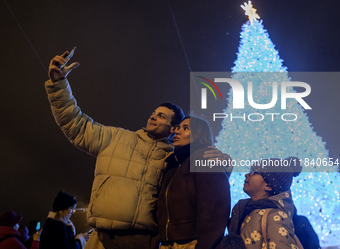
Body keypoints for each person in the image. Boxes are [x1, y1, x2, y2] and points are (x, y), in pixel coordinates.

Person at [46, 51, 225, 249]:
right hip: (102, 240)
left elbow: (203, 185)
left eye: (162, 116)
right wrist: (59, 85)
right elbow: (76, 124)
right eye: (154, 113)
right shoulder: (115, 138)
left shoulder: (174, 159)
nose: (154, 117)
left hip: (145, 242)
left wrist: (224, 161)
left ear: (172, 128)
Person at [157, 116, 231, 249]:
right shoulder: (173, 164)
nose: (178, 131)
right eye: (178, 128)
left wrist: (205, 245)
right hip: (167, 243)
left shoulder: (206, 159)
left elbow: (214, 211)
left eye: (186, 128)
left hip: (191, 243)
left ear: (199, 134)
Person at [228, 157, 302, 249]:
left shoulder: (275, 215)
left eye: (254, 173)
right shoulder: (246, 210)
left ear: (268, 185)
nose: (247, 175)